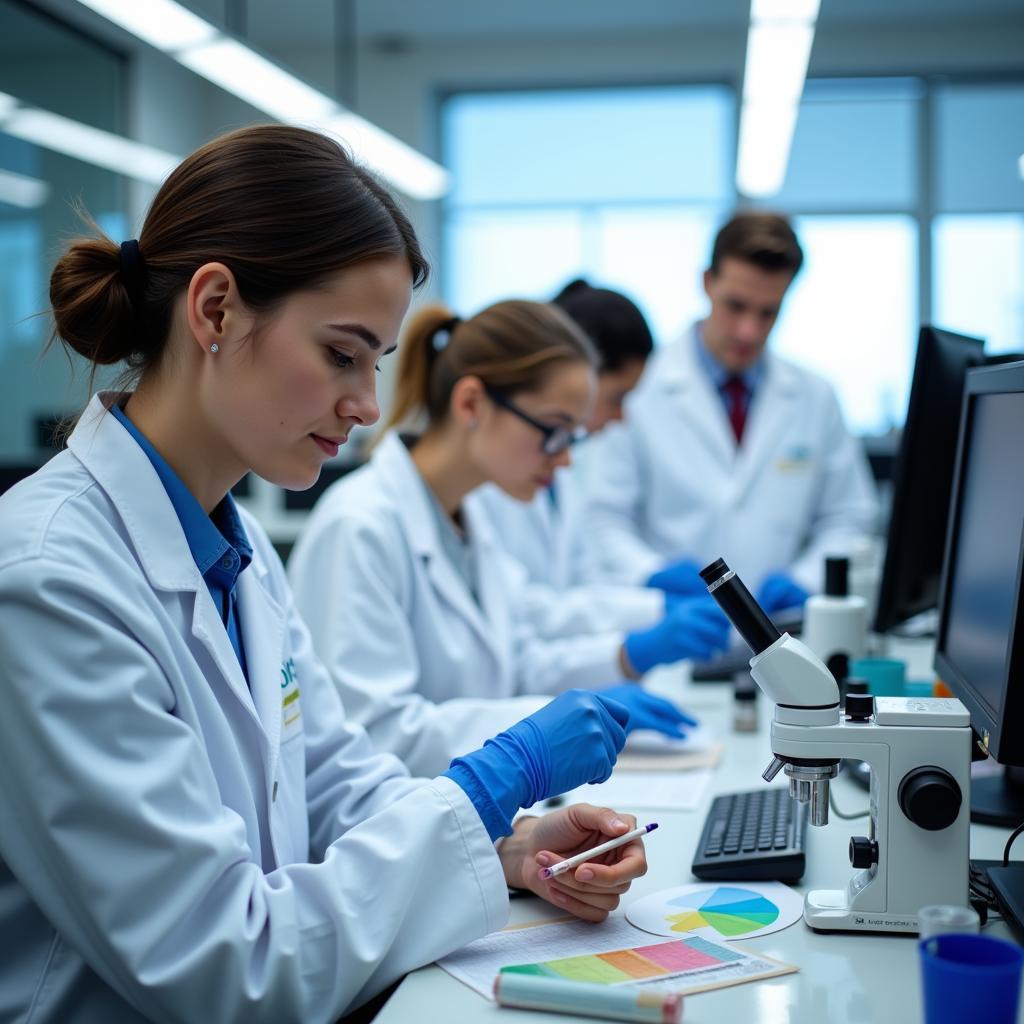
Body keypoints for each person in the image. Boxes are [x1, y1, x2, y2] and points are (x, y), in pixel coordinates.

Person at [0, 125, 651, 1024]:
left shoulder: (237, 547)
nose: (369, 405)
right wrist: (488, 782)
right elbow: (224, 963)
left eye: (376, 363)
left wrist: (510, 842)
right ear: (217, 309)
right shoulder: (49, 581)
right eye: (342, 354)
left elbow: (332, 781)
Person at [288, 299, 729, 778]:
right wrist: (541, 729)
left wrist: (622, 658)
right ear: (472, 404)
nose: (564, 462)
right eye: (555, 433)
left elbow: (518, 665)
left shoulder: (471, 517)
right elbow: (377, 734)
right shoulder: (360, 526)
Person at [582, 211, 879, 610]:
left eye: (767, 312)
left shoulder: (815, 396)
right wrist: (649, 573)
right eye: (735, 306)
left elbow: (849, 517)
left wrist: (806, 578)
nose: (748, 331)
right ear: (707, 282)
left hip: (782, 629)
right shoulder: (640, 387)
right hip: (673, 629)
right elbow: (602, 518)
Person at [473, 279, 673, 626]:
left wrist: (650, 591)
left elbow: (583, 581)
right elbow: (520, 608)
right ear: (583, 377)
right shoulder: (487, 481)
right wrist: (654, 612)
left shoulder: (560, 466)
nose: (622, 417)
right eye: (618, 397)